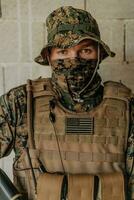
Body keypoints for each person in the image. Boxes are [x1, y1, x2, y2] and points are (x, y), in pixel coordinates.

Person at [0, 6, 134, 200]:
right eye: (63, 51)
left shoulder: (127, 107)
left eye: (85, 50)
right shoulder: (20, 104)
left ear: (99, 55)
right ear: (49, 57)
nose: (74, 60)